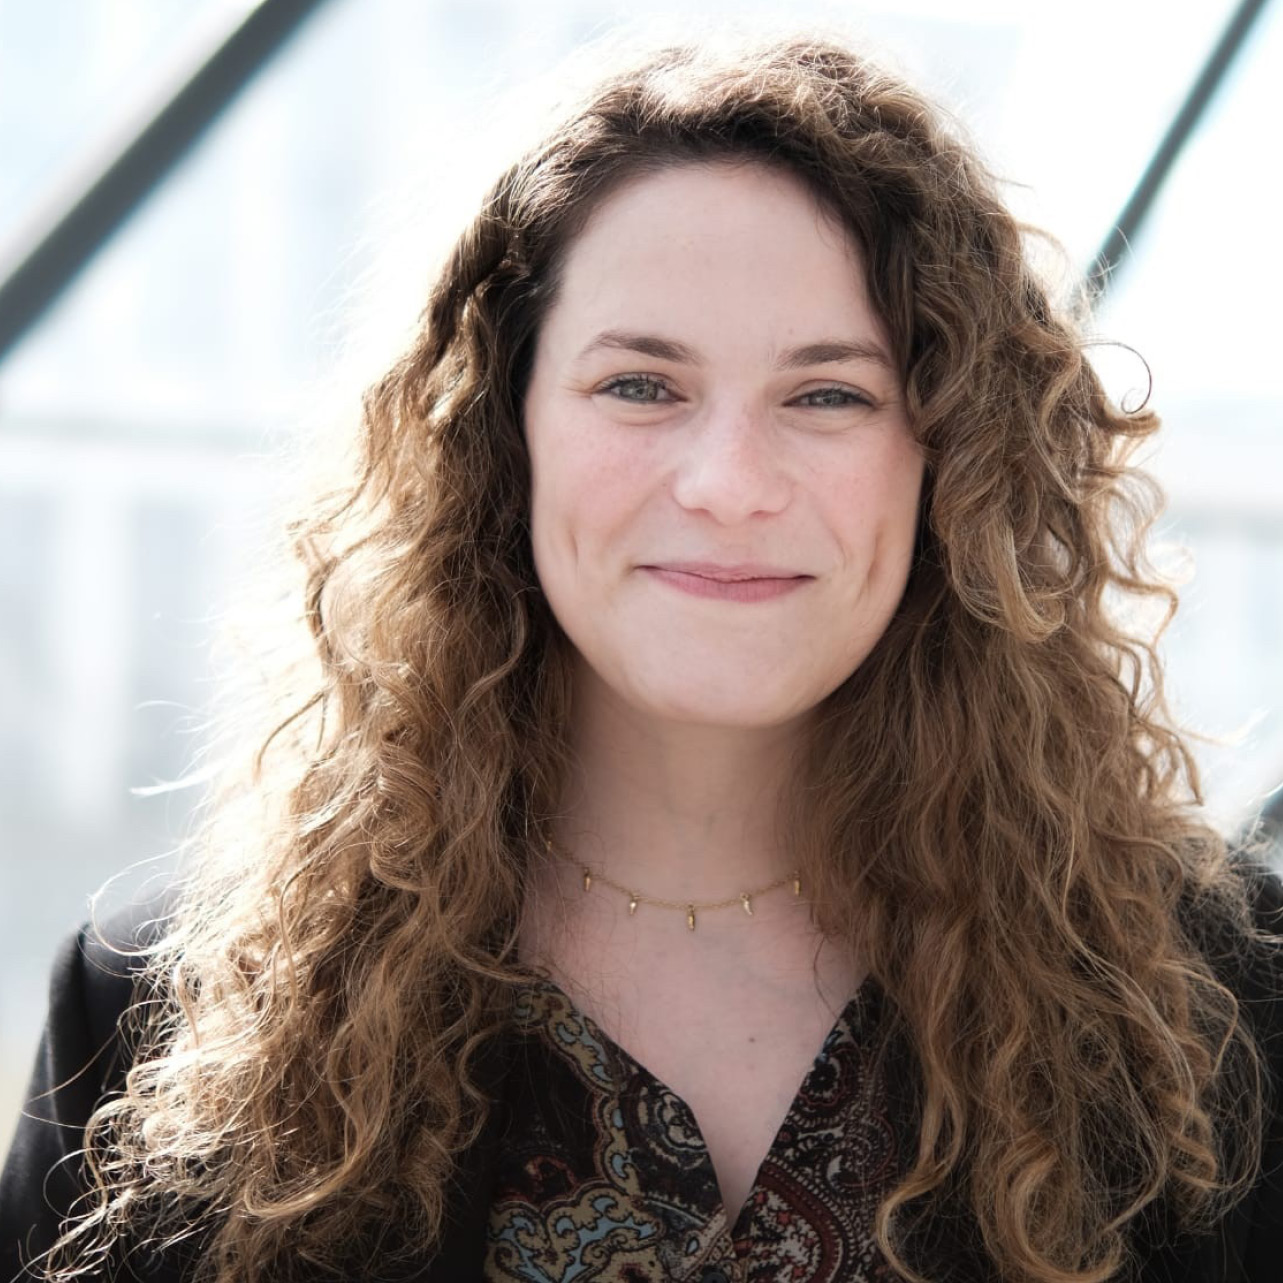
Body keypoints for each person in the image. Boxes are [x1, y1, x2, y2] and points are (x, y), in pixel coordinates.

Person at [2, 28, 1281, 1283]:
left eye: (827, 394)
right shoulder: (166, 1021)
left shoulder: (1217, 1011)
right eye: (639, 385)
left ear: (948, 456)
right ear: (499, 431)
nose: (727, 481)